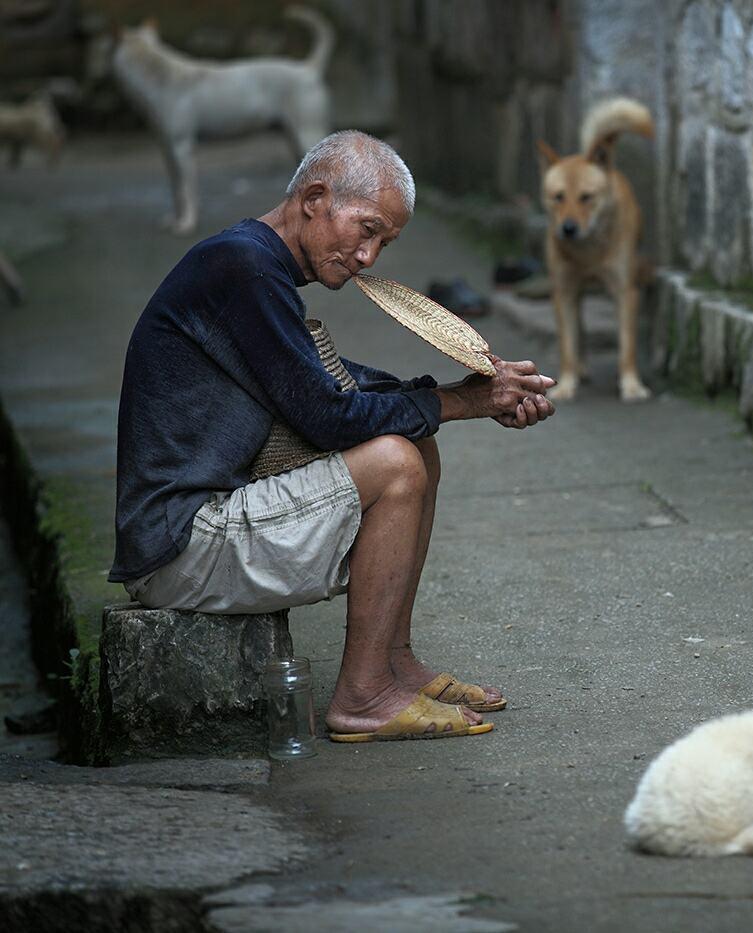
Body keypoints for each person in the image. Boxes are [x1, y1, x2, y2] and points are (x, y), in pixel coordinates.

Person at [109, 130, 556, 741]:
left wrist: (463, 394)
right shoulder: (242, 270)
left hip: (200, 533)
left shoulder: (252, 262)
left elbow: (333, 386)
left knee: (417, 445)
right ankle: (363, 696)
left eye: (384, 242)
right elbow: (326, 416)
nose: (370, 257)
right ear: (315, 199)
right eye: (366, 230)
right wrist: (462, 401)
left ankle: (395, 664)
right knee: (397, 462)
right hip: (181, 547)